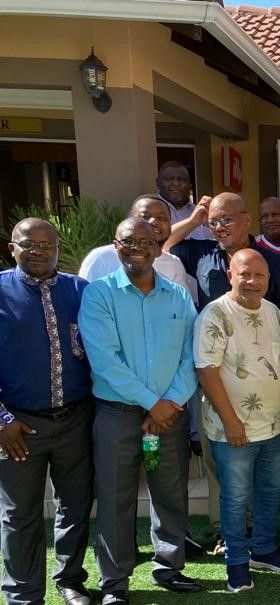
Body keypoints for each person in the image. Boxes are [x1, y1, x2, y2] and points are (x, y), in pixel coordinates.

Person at [79, 218, 201, 604]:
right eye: (128, 241)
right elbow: (104, 360)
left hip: (169, 416)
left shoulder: (178, 296)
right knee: (116, 497)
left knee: (170, 492)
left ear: (158, 246)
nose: (137, 248)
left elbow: (191, 357)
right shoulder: (99, 294)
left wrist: (171, 403)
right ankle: (115, 582)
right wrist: (154, 404)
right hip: (118, 415)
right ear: (115, 246)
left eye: (146, 242)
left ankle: (169, 567)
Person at [0, 219, 94, 605]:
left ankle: (70, 580)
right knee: (19, 514)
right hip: (18, 426)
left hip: (76, 419)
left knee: (75, 505)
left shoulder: (80, 290)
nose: (38, 251)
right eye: (29, 244)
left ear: (58, 248)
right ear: (12, 248)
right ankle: (23, 595)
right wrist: (2, 421)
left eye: (46, 244)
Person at [194, 249, 280, 592]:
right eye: (245, 274)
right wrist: (230, 421)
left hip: (274, 424)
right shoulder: (215, 314)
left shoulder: (272, 311)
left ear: (268, 280)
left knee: (269, 492)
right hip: (233, 430)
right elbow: (206, 371)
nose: (252, 281)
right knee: (236, 499)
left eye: (259, 276)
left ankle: (264, 550)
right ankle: (236, 562)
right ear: (230, 276)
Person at [167, 192, 280, 312]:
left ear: (247, 219)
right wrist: (193, 221)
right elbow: (164, 243)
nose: (219, 227)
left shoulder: (273, 262)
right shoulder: (202, 253)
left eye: (226, 220)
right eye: (212, 223)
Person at [79, 194, 189, 291]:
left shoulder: (174, 265)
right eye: (145, 217)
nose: (153, 222)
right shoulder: (101, 257)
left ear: (170, 224)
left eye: (161, 218)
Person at [156, 161, 213, 241]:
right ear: (157, 183)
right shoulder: (146, 212)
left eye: (182, 179)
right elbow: (157, 242)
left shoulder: (204, 213)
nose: (176, 183)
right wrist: (192, 222)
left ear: (190, 185)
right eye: (169, 179)